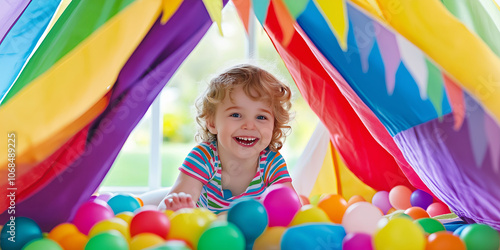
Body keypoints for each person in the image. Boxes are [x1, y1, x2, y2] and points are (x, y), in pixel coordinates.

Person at [161, 64, 296, 214]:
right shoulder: (204, 157)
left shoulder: (271, 162)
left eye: (261, 117)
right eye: (236, 115)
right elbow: (170, 204)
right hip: (208, 232)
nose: (249, 125)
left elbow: (291, 207)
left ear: (274, 125)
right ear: (212, 123)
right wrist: (179, 207)